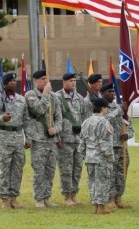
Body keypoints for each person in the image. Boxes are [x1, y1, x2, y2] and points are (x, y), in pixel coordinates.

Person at [0, 72, 30, 209]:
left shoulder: (21, 99)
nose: (13, 83)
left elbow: (26, 121)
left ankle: (14, 198)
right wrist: (1, 118)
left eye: (15, 81)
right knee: (5, 170)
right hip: (3, 138)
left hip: (18, 138)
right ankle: (4, 199)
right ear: (4, 84)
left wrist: (28, 138)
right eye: (10, 81)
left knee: (17, 169)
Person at [24, 70, 62, 208]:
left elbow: (59, 117)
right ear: (35, 81)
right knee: (39, 170)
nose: (45, 81)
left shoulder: (54, 97)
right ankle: (39, 198)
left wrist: (56, 129)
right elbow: (37, 111)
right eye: (42, 79)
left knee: (50, 170)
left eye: (46, 79)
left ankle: (47, 197)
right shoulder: (31, 95)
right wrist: (45, 94)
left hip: (51, 139)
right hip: (38, 139)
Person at [55, 72, 89, 206]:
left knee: (77, 169)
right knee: (66, 169)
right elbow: (54, 119)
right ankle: (67, 196)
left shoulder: (79, 98)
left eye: (75, 81)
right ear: (64, 82)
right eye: (70, 81)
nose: (73, 83)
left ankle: (74, 194)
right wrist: (57, 137)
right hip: (65, 139)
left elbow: (84, 118)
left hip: (78, 140)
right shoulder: (57, 97)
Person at [79, 97, 115, 214]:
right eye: (106, 108)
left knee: (93, 182)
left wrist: (84, 153)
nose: (107, 110)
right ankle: (101, 207)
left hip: (90, 157)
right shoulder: (104, 122)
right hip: (101, 157)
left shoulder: (86, 121)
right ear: (103, 108)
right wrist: (110, 155)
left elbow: (82, 141)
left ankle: (95, 206)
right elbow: (104, 142)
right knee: (103, 182)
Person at [101, 83, 134, 209]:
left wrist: (128, 134)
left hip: (121, 146)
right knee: (110, 172)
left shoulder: (120, 107)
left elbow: (130, 126)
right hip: (108, 146)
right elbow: (103, 120)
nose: (113, 94)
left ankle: (118, 197)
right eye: (110, 92)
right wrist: (119, 110)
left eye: (114, 92)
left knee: (122, 172)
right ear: (103, 93)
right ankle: (110, 198)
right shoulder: (101, 107)